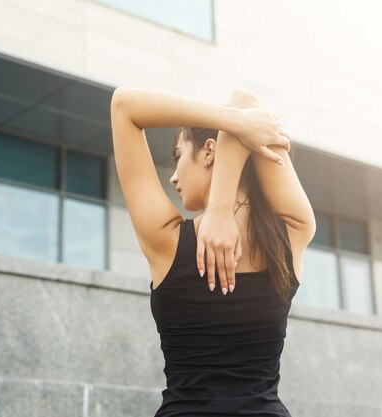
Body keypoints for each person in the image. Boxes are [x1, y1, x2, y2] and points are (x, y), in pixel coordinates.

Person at [109, 87, 316, 416]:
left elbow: (123, 105)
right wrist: (220, 205)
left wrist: (219, 209)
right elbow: (246, 102)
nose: (174, 176)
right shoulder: (292, 234)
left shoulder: (166, 240)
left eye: (178, 155)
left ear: (209, 151)